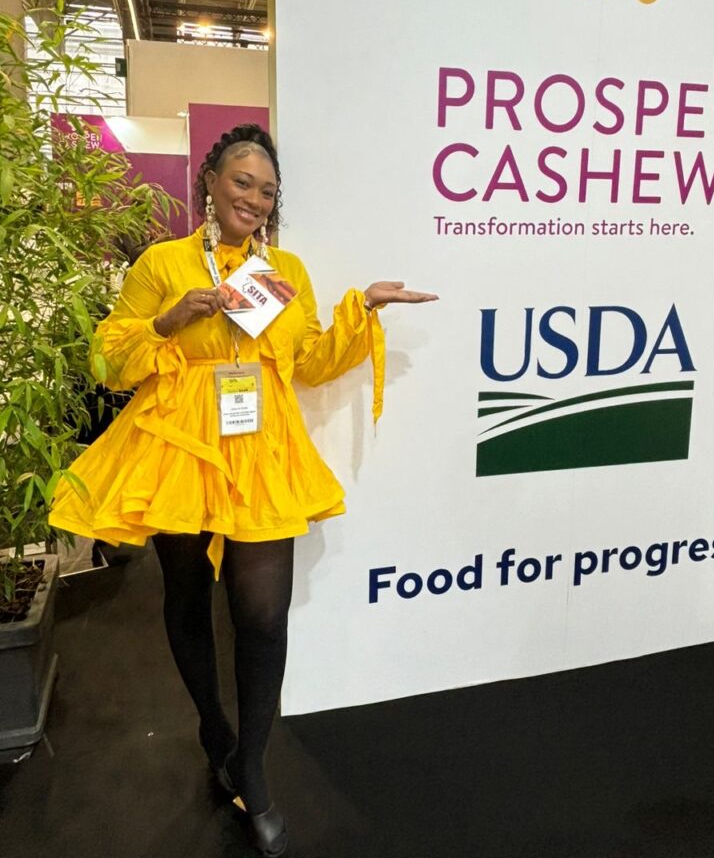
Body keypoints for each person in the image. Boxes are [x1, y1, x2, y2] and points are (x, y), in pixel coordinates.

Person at [48, 123, 437, 857]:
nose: (254, 198)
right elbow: (107, 361)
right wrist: (170, 320)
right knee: (187, 597)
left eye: (266, 190)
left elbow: (310, 362)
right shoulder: (163, 263)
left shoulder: (282, 271)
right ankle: (212, 728)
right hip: (178, 447)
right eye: (242, 182)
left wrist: (363, 307)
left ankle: (252, 768)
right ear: (210, 181)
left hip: (261, 447)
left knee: (262, 615)